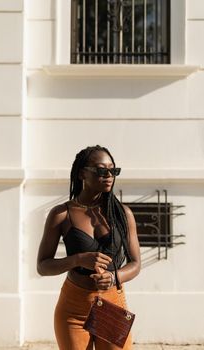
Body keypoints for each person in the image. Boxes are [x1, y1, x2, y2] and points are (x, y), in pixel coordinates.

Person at [37, 145, 141, 350]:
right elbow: (43, 266)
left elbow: (136, 264)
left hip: (111, 303)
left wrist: (113, 277)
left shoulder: (122, 214)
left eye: (113, 170)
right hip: (73, 308)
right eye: (102, 170)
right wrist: (77, 260)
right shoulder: (61, 214)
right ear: (82, 173)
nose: (109, 175)